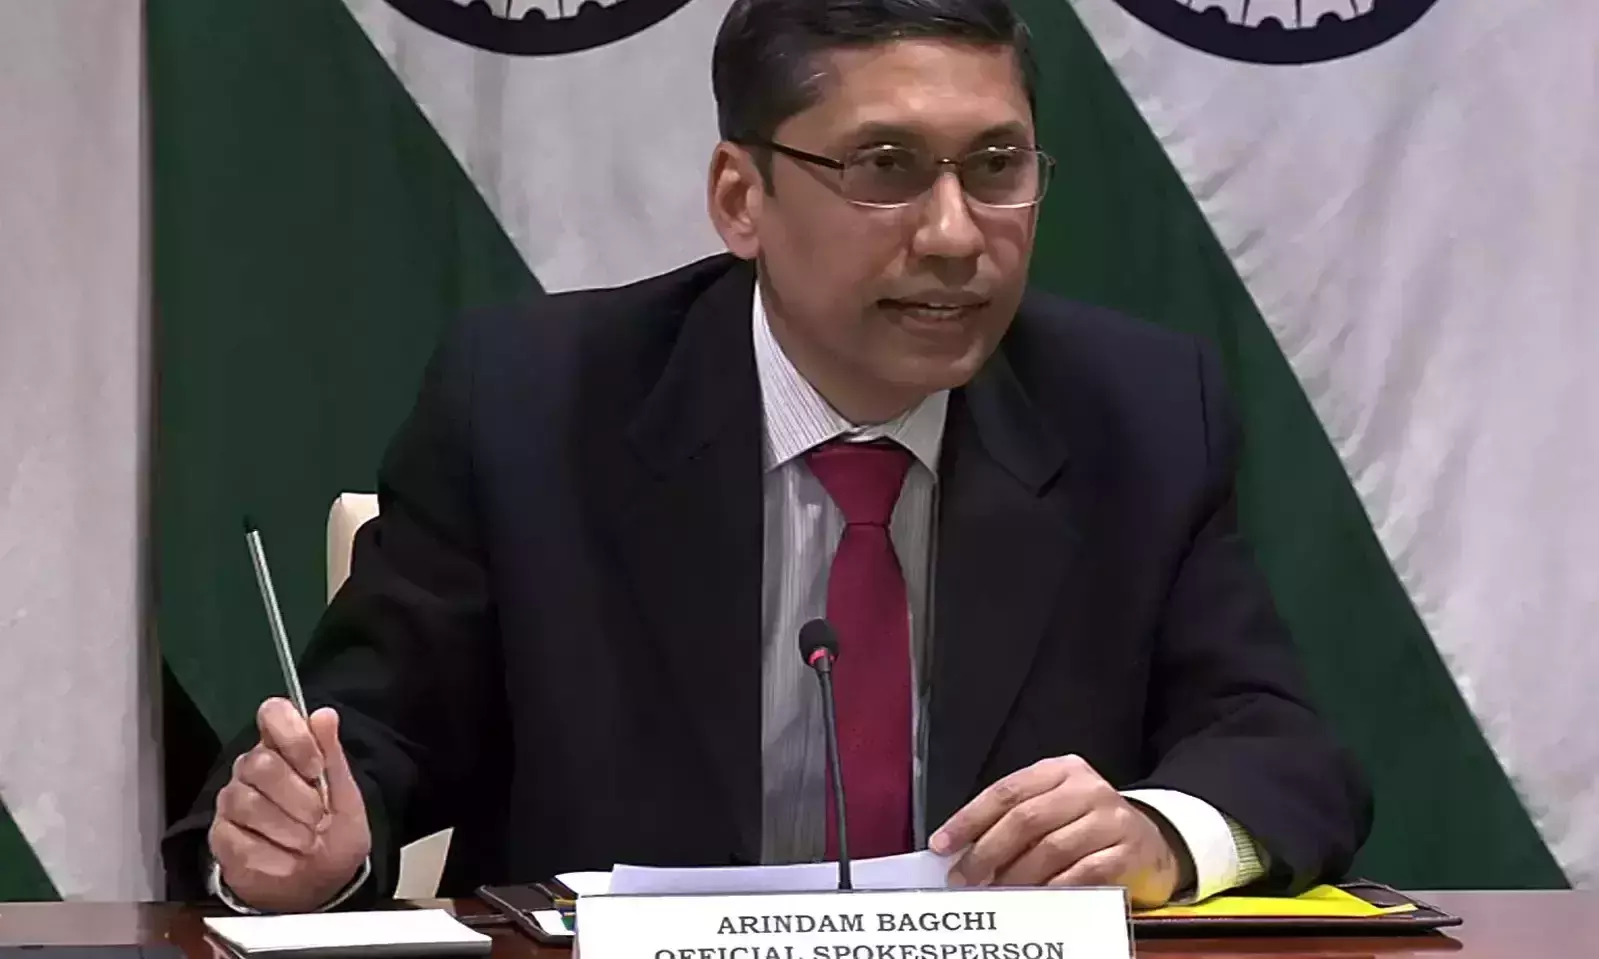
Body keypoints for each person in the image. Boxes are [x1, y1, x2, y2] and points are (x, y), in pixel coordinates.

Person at [165, 0, 1371, 914]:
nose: (956, 234)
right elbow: (370, 744)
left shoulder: (1137, 414)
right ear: (741, 198)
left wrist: (1159, 834)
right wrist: (312, 848)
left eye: (997, 166)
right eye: (886, 168)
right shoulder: (533, 406)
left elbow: (1281, 747)